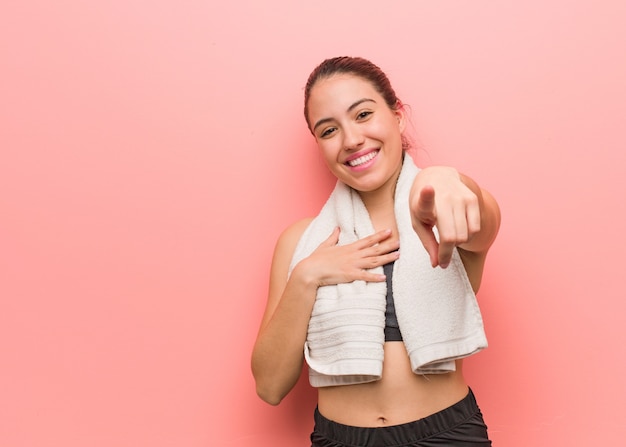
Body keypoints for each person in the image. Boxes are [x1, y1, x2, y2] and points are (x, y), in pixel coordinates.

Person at [251, 56, 501, 447]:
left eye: (363, 114)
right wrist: (308, 276)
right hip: (338, 438)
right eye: (329, 130)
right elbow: (269, 387)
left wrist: (448, 178)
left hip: (447, 435)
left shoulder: (448, 212)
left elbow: (479, 218)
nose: (351, 139)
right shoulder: (301, 243)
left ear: (398, 116)